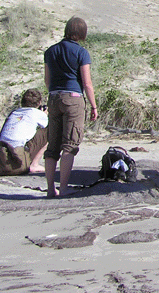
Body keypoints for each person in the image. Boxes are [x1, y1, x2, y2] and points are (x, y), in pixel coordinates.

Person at [44, 16, 98, 198]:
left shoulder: (50, 51)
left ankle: (50, 189)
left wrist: (55, 94)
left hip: (54, 97)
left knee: (52, 146)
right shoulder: (81, 52)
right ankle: (64, 187)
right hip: (73, 98)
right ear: (82, 33)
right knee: (70, 145)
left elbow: (47, 80)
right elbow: (87, 83)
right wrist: (93, 106)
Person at [0, 88, 48, 175]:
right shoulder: (36, 113)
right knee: (49, 130)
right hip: (18, 153)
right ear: (39, 103)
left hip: (1, 154)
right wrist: (44, 115)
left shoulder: (14, 112)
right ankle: (34, 165)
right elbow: (45, 125)